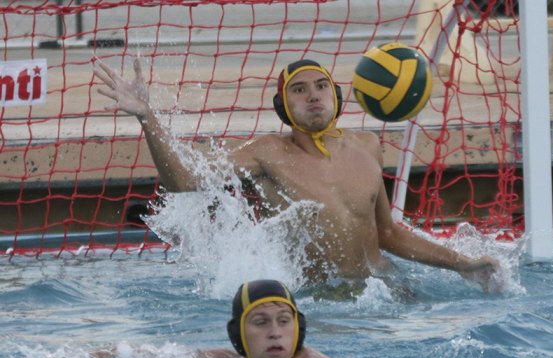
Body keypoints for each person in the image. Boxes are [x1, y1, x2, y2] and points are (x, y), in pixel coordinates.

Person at [94, 58, 500, 291]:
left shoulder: (367, 147)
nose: (313, 95)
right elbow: (182, 182)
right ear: (283, 106)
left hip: (385, 289)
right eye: (299, 89)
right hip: (320, 301)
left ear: (336, 97)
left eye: (322, 86)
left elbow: (389, 234)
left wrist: (463, 264)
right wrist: (147, 117)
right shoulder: (267, 153)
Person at [93, 279, 374, 358]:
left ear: (298, 329)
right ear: (238, 334)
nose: (275, 332)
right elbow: (137, 353)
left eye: (284, 321)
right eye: (261, 322)